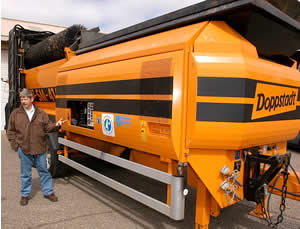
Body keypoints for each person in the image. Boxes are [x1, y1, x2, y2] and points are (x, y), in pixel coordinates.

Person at [6, 88, 67, 206]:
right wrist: (15, 145)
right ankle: (25, 194)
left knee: (44, 171)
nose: (23, 101)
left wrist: (56, 125)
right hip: (24, 149)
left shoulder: (41, 113)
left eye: (25, 99)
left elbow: (47, 127)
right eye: (21, 99)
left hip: (40, 148)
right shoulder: (15, 114)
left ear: (32, 99)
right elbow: (10, 131)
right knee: (25, 174)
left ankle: (48, 192)